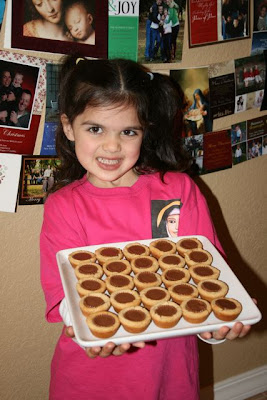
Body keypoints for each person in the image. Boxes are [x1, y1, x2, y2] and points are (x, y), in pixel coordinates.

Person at [40, 56, 252, 400]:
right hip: (92, 377)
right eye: (95, 129)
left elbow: (206, 279)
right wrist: (92, 333)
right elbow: (67, 298)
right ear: (68, 127)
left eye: (128, 131)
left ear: (144, 131)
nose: (112, 146)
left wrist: (215, 327)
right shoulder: (64, 207)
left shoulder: (180, 191)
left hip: (171, 373)